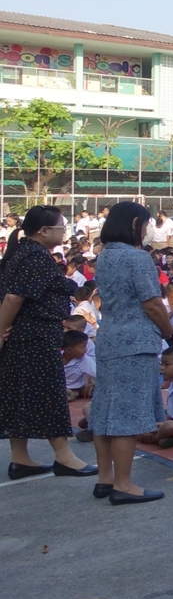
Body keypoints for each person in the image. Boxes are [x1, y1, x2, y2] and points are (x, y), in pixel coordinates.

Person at [0, 206, 96, 482]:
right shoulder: (34, 255)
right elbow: (13, 299)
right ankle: (64, 456)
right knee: (50, 394)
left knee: (17, 395)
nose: (64, 233)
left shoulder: (22, 252)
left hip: (26, 335)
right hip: (34, 336)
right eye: (60, 228)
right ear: (43, 231)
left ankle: (20, 458)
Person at [91, 201, 173, 504]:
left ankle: (105, 479)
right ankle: (123, 484)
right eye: (144, 224)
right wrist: (169, 332)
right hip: (135, 341)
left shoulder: (104, 256)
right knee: (125, 415)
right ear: (133, 225)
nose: (146, 230)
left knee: (104, 411)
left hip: (109, 338)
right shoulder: (137, 258)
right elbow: (152, 303)